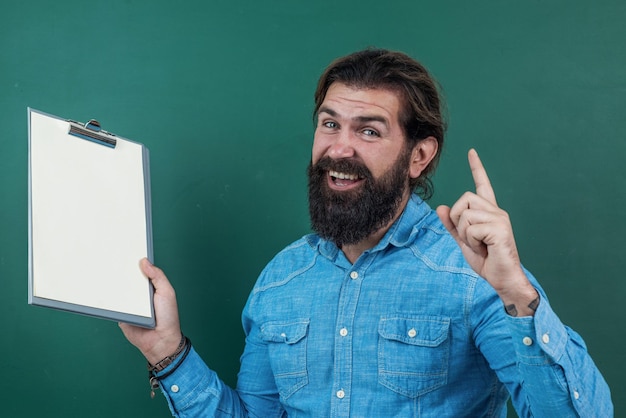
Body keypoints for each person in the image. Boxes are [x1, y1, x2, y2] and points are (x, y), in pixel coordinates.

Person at [120, 48, 613, 417]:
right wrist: (166, 352)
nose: (339, 148)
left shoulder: (474, 276)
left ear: (418, 156)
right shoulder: (280, 281)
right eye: (329, 124)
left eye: (369, 131)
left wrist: (515, 293)